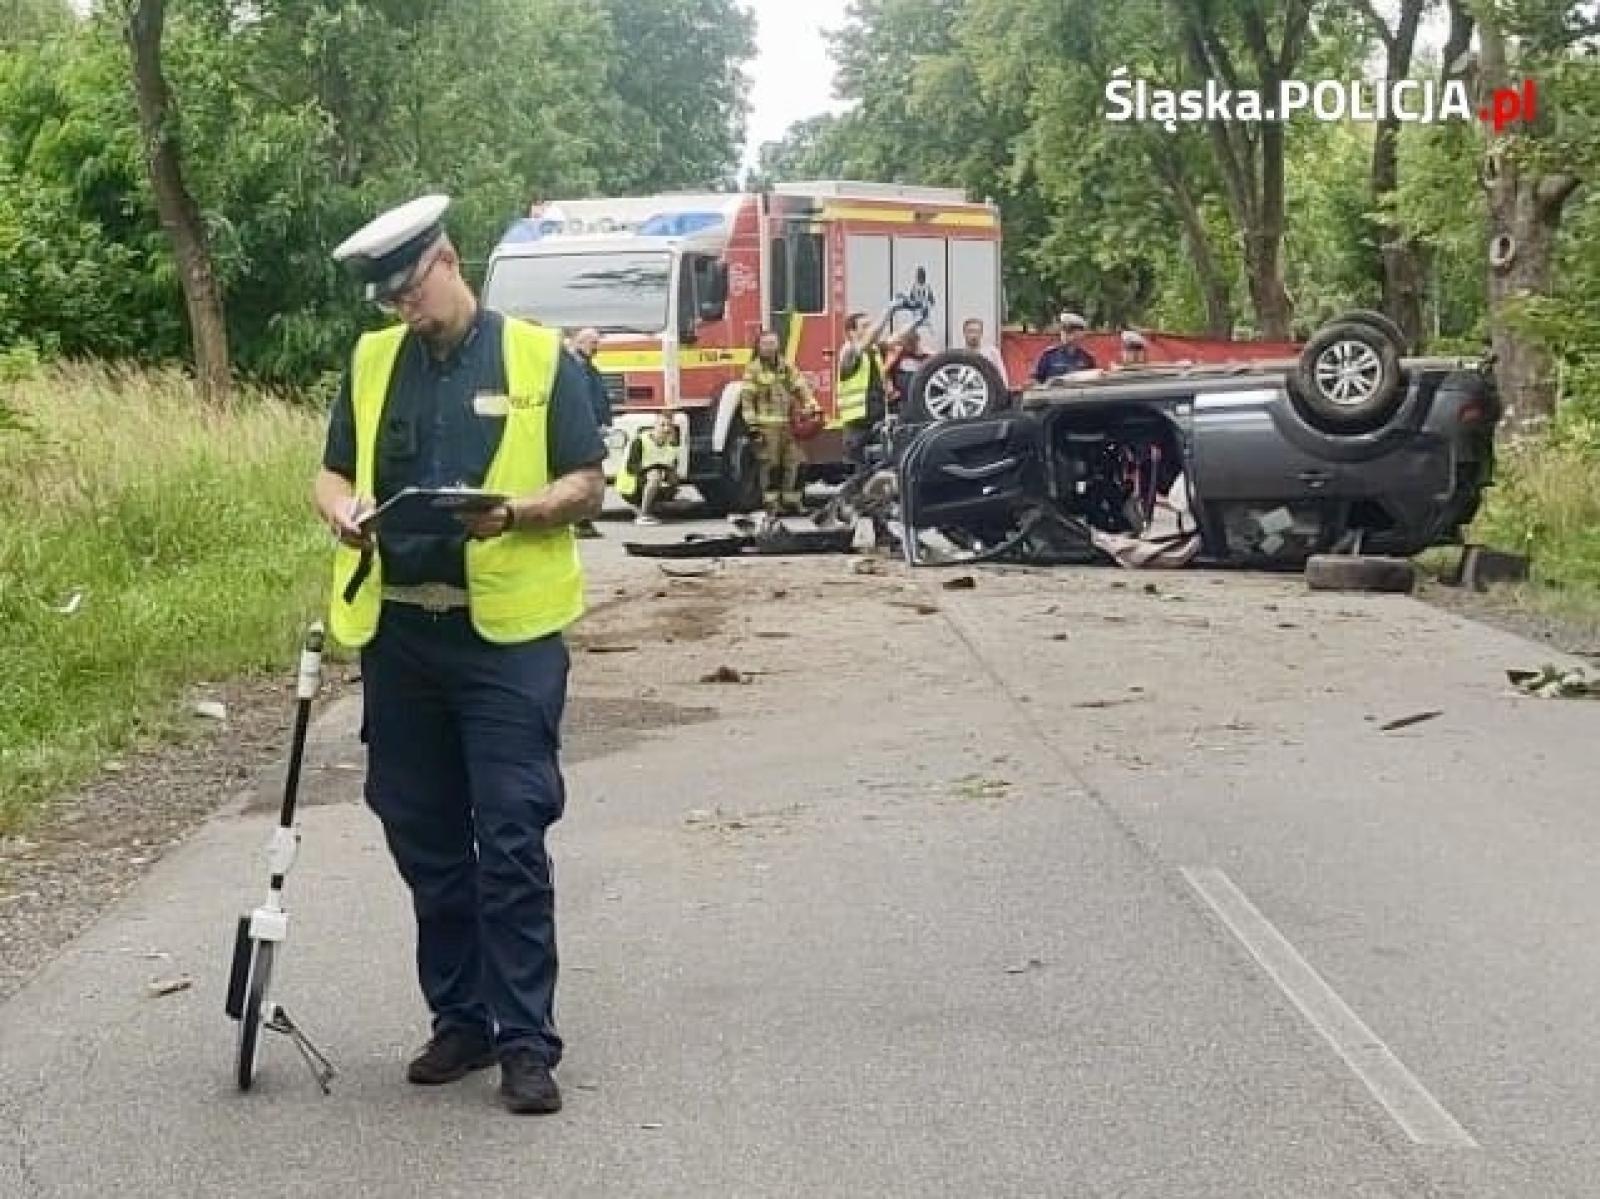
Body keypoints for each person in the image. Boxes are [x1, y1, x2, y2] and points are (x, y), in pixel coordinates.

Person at [313, 194, 606, 1116]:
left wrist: (517, 510)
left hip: (505, 642)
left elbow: (588, 481)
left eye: (412, 289)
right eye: (389, 300)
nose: (404, 309)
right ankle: (462, 1019)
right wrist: (340, 510)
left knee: (510, 833)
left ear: (447, 258)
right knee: (426, 837)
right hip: (402, 634)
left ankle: (526, 1041)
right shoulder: (370, 364)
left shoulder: (538, 357)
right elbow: (330, 471)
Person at [739, 329, 819, 515]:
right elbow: (747, 400)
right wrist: (753, 428)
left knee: (797, 463)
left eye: (773, 343)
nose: (770, 347)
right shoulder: (753, 370)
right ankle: (772, 505)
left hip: (788, 426)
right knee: (771, 466)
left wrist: (812, 405)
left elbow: (800, 387)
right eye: (766, 344)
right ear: (758, 347)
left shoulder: (786, 367)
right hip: (766, 428)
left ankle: (793, 502)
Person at [836, 306, 894, 469]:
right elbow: (869, 339)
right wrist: (888, 311)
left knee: (880, 469)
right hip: (857, 424)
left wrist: (917, 321)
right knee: (858, 472)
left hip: (877, 420)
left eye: (870, 325)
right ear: (851, 332)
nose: (870, 329)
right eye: (865, 326)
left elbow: (897, 338)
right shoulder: (849, 352)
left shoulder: (874, 350)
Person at [566, 327, 610, 538]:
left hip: (589, 428)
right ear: (580, 342)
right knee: (587, 477)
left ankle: (583, 522)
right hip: (584, 431)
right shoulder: (577, 367)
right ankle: (580, 522)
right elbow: (583, 400)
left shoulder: (585, 367)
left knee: (589, 477)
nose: (596, 348)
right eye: (593, 343)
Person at [616, 410, 681, 525]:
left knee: (672, 477)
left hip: (650, 481)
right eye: (662, 425)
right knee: (655, 475)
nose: (666, 429)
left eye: (669, 425)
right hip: (630, 484)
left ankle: (646, 509)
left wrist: (669, 477)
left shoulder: (671, 445)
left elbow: (672, 466)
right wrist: (649, 470)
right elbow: (631, 467)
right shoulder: (640, 441)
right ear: (654, 426)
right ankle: (644, 515)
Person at [1033, 311, 1097, 382]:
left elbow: (1094, 382)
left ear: (1080, 334)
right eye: (1063, 331)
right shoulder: (1048, 356)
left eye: (1070, 332)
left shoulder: (1087, 358)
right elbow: (1035, 380)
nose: (1065, 335)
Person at [961, 317, 1010, 388]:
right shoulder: (960, 355)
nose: (974, 335)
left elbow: (1002, 376)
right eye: (970, 331)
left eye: (977, 331)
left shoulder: (992, 352)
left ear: (981, 333)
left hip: (989, 392)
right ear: (964, 333)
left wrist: (1004, 392)